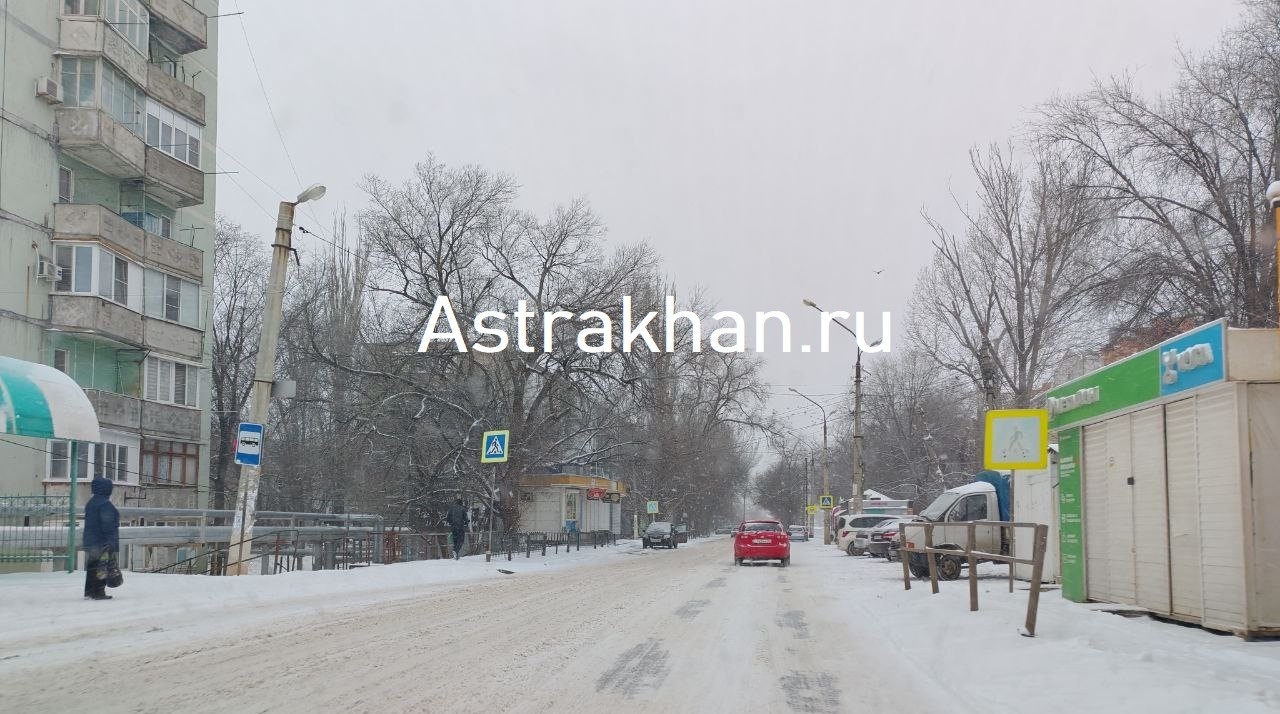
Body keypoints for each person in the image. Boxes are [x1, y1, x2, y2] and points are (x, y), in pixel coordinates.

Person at [82, 476, 120, 600]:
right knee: (102, 567)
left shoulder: (91, 503)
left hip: (91, 541)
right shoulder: (105, 504)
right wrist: (110, 543)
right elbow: (108, 525)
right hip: (102, 542)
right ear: (107, 489)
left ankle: (89, 592)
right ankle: (99, 592)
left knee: (92, 567)